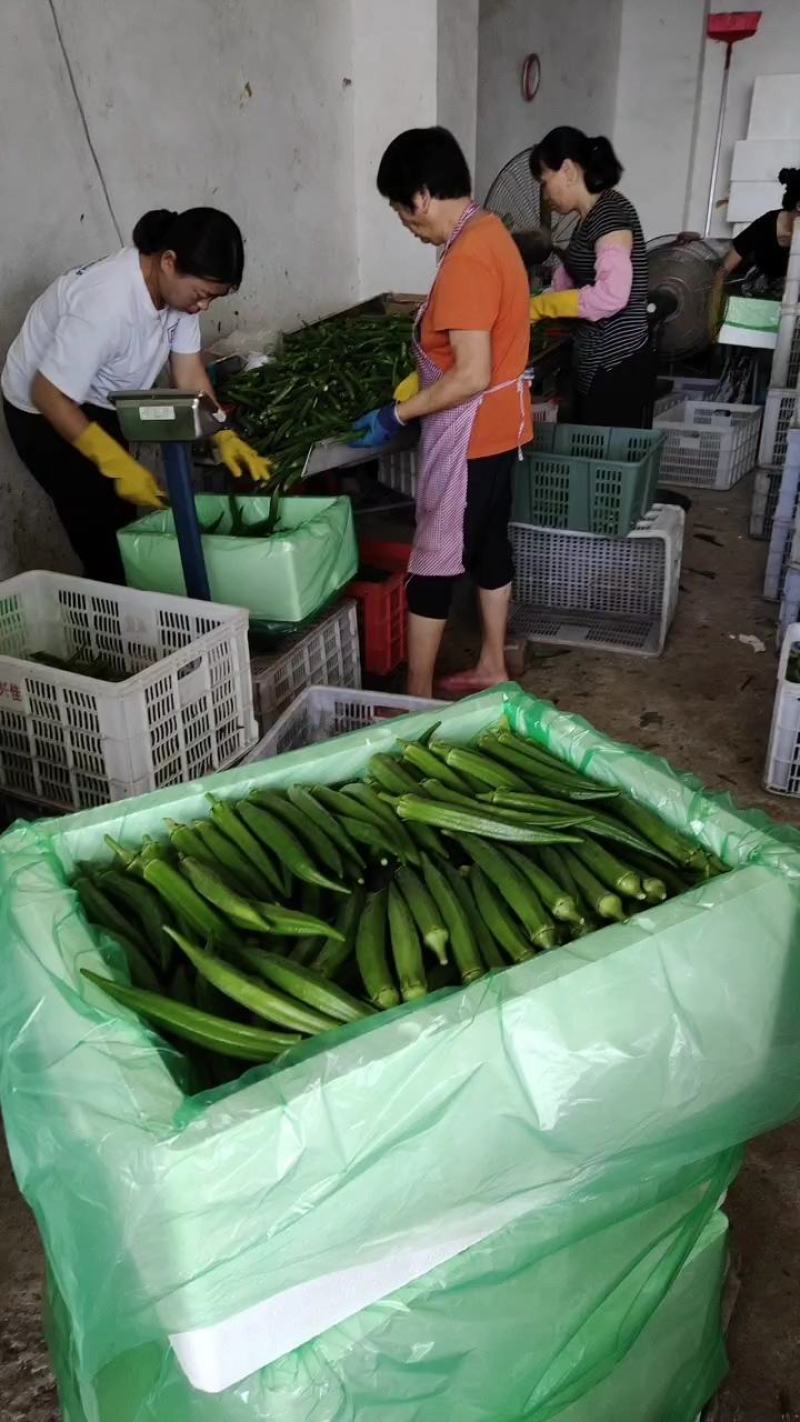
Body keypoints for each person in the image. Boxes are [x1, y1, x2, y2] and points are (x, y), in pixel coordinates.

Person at [351, 126, 532, 699]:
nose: (406, 224)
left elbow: (471, 374)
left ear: (422, 196)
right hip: (504, 429)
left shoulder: (466, 260)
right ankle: (491, 664)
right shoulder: (491, 231)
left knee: (433, 562)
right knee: (487, 543)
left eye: (402, 212)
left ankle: (416, 697)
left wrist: (399, 413)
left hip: (469, 435)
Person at [2, 208, 269, 584]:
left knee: (120, 524)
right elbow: (49, 395)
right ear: (169, 262)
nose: (203, 307)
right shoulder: (107, 302)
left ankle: (124, 606)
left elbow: (189, 372)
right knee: (100, 535)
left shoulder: (179, 293)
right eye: (202, 295)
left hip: (98, 398)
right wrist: (114, 461)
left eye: (213, 298)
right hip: (40, 410)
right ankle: (104, 620)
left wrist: (221, 431)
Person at [528, 127, 652, 427]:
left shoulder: (610, 216)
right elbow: (573, 277)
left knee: (605, 464)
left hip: (616, 364)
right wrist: (535, 302)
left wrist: (543, 308)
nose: (545, 196)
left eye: (545, 183)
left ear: (568, 170)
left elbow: (612, 295)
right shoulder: (589, 217)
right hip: (596, 360)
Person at [714, 166, 800, 304]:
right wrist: (714, 315)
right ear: (795, 203)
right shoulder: (766, 224)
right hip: (750, 299)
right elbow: (722, 271)